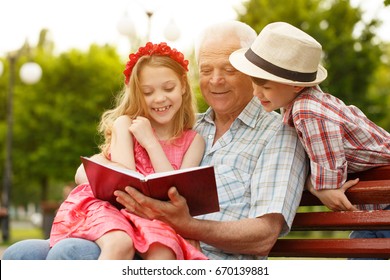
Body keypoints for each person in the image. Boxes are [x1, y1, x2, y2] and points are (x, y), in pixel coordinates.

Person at [2, 21, 308, 260]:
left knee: (73, 255)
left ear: (250, 71)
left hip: (201, 258)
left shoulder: (278, 134)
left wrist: (184, 225)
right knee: (21, 254)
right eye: (206, 70)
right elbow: (112, 164)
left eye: (228, 69)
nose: (215, 80)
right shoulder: (186, 126)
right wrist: (92, 168)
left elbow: (263, 235)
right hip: (134, 236)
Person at [229, 21, 390, 253]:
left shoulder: (308, 112)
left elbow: (330, 188)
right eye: (255, 84)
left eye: (265, 86)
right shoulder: (303, 104)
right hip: (374, 206)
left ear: (295, 86)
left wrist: (314, 185)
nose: (256, 93)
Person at [55, 42, 208, 260]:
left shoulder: (195, 141)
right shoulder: (126, 124)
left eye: (168, 88)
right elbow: (123, 185)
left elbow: (174, 193)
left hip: (157, 218)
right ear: (137, 93)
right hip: (115, 209)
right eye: (148, 92)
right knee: (119, 245)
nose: (159, 98)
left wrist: (151, 143)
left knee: (164, 251)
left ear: (183, 86)